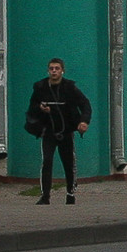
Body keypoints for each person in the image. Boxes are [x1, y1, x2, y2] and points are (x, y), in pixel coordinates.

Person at [24, 58, 90, 205]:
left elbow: (85, 104)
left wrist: (83, 121)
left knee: (68, 163)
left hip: (66, 131)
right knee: (47, 161)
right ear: (48, 71)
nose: (54, 71)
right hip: (48, 131)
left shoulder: (70, 88)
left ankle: (70, 193)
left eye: (57, 68)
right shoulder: (40, 88)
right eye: (51, 68)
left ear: (62, 71)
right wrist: (41, 109)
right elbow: (32, 108)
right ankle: (45, 196)